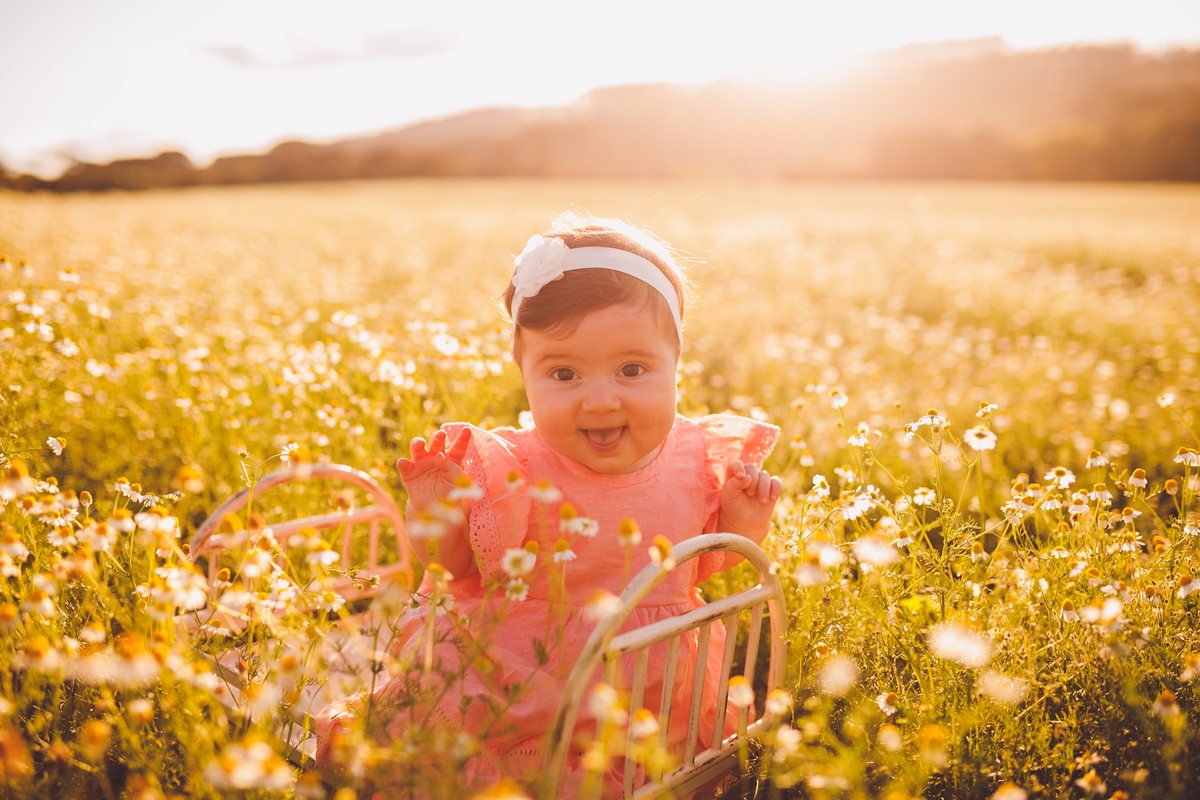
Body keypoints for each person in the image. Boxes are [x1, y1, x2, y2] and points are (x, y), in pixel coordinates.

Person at [318, 215, 782, 797]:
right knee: (470, 760)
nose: (600, 398)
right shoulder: (514, 468)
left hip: (652, 687)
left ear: (676, 362)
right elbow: (459, 569)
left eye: (632, 369)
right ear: (524, 373)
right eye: (564, 373)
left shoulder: (696, 459)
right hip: (525, 677)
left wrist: (742, 522)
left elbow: (698, 569)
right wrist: (435, 513)